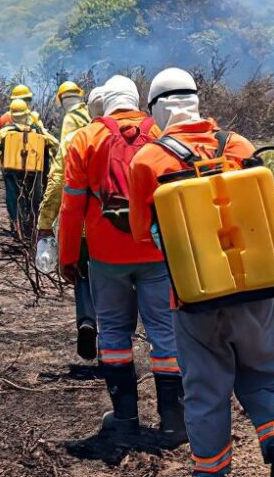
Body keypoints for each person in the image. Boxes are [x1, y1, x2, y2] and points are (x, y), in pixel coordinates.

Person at [127, 68, 274, 477]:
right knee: (266, 374)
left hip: (193, 297)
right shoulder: (239, 146)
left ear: (156, 110)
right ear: (195, 101)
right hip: (257, 289)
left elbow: (140, 233)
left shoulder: (148, 160)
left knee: (206, 390)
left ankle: (211, 471)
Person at [57, 75, 184, 444]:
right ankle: (174, 423)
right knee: (165, 333)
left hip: (105, 255)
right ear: (136, 100)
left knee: (113, 333)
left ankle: (126, 421)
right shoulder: (160, 132)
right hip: (156, 252)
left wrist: (69, 257)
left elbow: (71, 206)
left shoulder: (86, 138)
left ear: (106, 102)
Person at [36, 81, 97, 360]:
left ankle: (87, 320)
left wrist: (44, 221)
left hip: (83, 219)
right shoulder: (106, 123)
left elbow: (60, 175)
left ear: (61, 102)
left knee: (83, 272)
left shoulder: (72, 127)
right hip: (116, 221)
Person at [0, 99, 58, 240]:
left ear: (12, 115)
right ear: (27, 114)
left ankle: (17, 227)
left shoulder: (3, 132)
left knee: (13, 199)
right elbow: (55, 144)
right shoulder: (38, 131)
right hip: (35, 170)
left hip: (12, 171)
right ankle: (32, 228)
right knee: (34, 199)